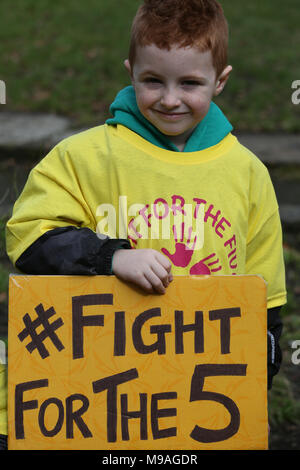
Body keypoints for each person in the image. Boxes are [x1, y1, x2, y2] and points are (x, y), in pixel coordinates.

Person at [4, 0, 286, 447]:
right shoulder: (82, 157)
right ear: (130, 71)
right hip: (84, 400)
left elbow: (263, 297)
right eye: (153, 80)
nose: (170, 99)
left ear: (221, 81)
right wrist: (109, 256)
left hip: (191, 409)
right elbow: (28, 239)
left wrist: (259, 368)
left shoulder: (248, 174)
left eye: (190, 83)